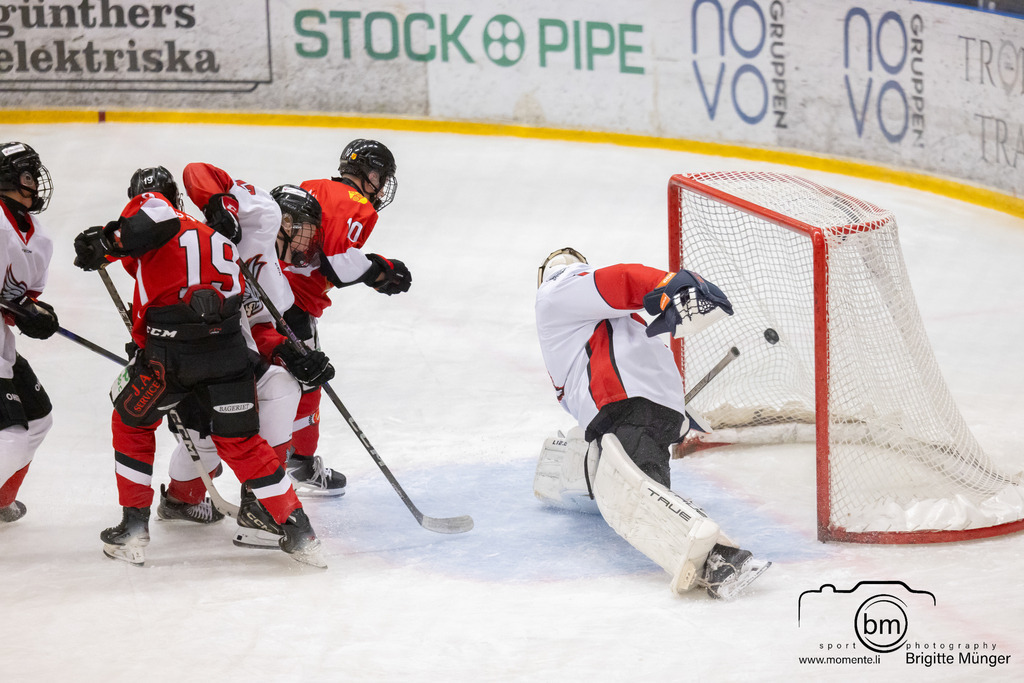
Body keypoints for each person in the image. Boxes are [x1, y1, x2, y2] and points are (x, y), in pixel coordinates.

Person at [71, 166, 325, 568]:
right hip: (228, 354)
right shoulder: (216, 237)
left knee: (132, 422)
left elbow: (149, 222)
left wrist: (108, 240)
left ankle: (133, 527)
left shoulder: (152, 210)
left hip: (171, 358)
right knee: (241, 443)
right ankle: (298, 529)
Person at [533, 247, 769, 599]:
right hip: (650, 409)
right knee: (645, 482)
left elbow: (610, 282)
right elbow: (611, 285)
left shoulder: (556, 291)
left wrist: (664, 284)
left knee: (640, 490)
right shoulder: (570, 305)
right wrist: (664, 285)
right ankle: (713, 546)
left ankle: (722, 558)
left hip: (626, 404)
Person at [160, 163, 335, 549]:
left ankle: (216, 500)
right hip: (176, 343)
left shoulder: (277, 286)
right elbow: (199, 171)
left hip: (220, 354)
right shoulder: (262, 214)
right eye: (305, 230)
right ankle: (207, 500)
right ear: (286, 219)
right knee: (203, 434)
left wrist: (295, 355)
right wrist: (219, 205)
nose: (308, 243)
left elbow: (262, 332)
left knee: (275, 387)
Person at [283, 139, 412, 493]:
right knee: (305, 384)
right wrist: (380, 271)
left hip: (258, 290)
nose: (382, 186)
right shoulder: (360, 208)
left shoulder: (309, 187)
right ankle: (299, 465)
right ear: (371, 175)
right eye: (381, 177)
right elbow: (337, 264)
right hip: (295, 306)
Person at [0, 142, 58, 524]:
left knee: (38, 419)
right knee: (12, 437)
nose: (35, 184)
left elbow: (20, 298)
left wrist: (32, 313)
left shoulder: (37, 237)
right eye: (27, 176)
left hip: (2, 346)